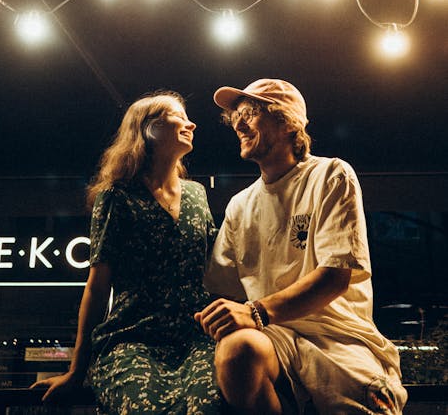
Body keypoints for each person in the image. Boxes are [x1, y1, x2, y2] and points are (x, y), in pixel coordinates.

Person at [195, 78, 408, 415]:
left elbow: (336, 276)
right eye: (235, 115)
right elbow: (223, 291)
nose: (238, 122)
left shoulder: (331, 175)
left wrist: (255, 311)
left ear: (286, 121)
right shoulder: (239, 205)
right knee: (235, 350)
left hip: (338, 339)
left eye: (249, 112)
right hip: (272, 337)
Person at [32, 90, 221, 414]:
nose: (191, 124)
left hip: (196, 341)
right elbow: (97, 286)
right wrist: (77, 372)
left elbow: (219, 268)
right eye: (178, 115)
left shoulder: (197, 195)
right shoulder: (117, 197)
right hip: (133, 339)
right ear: (149, 128)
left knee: (208, 407)